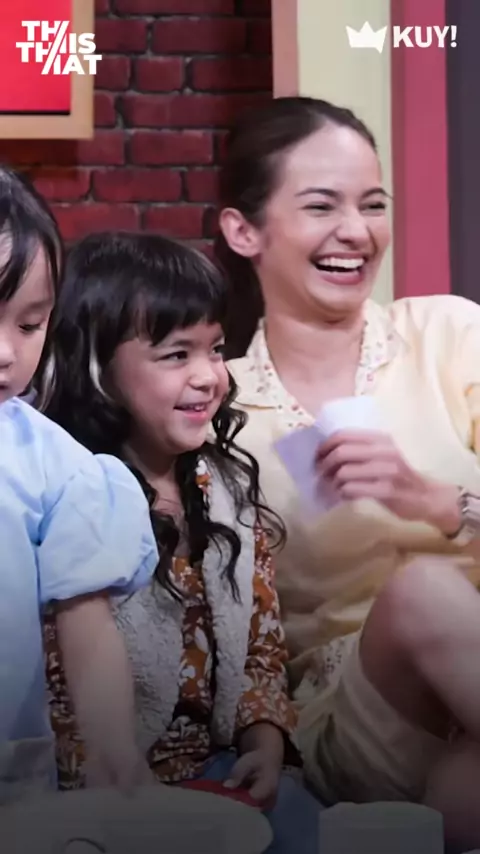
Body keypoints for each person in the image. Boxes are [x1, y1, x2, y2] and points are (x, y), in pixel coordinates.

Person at [217, 96, 480, 850]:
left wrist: (435, 500)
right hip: (355, 723)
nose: (357, 232)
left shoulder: (449, 334)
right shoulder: (220, 406)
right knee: (424, 592)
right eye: (321, 206)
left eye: (372, 204)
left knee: (464, 792)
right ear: (244, 230)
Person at [40, 231, 321, 854]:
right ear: (98, 367)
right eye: (175, 354)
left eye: (215, 349)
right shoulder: (66, 496)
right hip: (104, 792)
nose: (208, 376)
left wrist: (264, 743)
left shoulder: (226, 488)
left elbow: (262, 647)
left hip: (222, 772)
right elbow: (59, 695)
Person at [0, 166, 159, 802]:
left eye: (28, 325)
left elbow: (86, 623)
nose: (6, 352)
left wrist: (112, 746)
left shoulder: (53, 463)